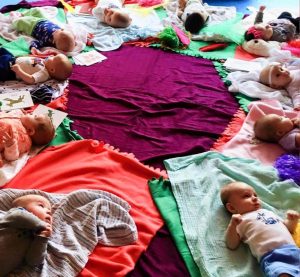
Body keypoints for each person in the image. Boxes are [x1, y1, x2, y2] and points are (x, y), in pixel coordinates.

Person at [220, 181, 300, 277]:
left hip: (294, 251)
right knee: (281, 273)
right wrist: (232, 225)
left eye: (255, 195)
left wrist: (292, 220)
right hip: (273, 257)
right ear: (232, 207)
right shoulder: (240, 220)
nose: (254, 198)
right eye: (246, 196)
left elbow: (288, 229)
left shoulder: (268, 212)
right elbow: (231, 245)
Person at [0, 194, 52, 276]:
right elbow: (18, 216)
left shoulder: (35, 239)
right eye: (41, 206)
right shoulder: (15, 214)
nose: (49, 212)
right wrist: (42, 224)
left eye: (50, 212)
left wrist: (42, 238)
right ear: (24, 208)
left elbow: (33, 261)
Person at [0, 47, 73, 84]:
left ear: (52, 70)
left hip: (9, 69)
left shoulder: (44, 73)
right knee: (3, 50)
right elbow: (32, 61)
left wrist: (19, 71)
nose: (51, 56)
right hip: (12, 59)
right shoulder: (43, 62)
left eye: (53, 58)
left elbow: (31, 79)